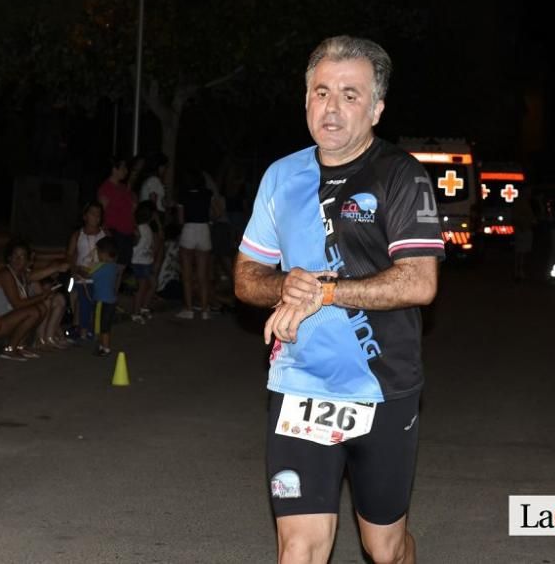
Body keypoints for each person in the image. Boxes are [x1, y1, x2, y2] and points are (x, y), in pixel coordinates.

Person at [233, 36, 444, 564]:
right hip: (298, 386)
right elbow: (245, 277)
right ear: (305, 99)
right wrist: (285, 286)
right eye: (321, 91)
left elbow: (419, 282)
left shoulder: (401, 176)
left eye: (350, 95)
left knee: (384, 547)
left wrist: (326, 291)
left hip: (382, 388)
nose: (332, 107)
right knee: (299, 549)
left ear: (376, 108)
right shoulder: (282, 176)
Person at [0, 238, 68, 358]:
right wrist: (42, 296)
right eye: (15, 256)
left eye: (22, 256)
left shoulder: (22, 275)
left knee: (41, 308)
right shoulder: (6, 274)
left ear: (27, 260)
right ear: (9, 257)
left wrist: (56, 270)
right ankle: (10, 348)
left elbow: (36, 276)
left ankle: (20, 346)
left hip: (7, 319)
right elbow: (17, 304)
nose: (18, 260)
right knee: (33, 311)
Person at [176, 167, 215, 320]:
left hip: (189, 229)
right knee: (202, 274)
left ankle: (189, 309)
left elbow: (180, 219)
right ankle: (205, 310)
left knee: (186, 274)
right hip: (204, 229)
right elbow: (215, 212)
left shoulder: (182, 195)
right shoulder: (207, 194)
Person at [66, 201, 106, 336]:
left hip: (98, 277)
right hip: (81, 276)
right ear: (85, 216)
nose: (96, 217)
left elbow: (111, 256)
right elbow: (70, 256)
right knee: (81, 299)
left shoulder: (105, 235)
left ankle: (90, 328)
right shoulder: (78, 235)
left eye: (98, 214)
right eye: (92, 213)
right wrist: (76, 271)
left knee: (96, 304)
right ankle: (80, 328)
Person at [96, 157, 135, 296]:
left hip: (127, 232)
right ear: (114, 169)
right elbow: (101, 212)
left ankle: (112, 299)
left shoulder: (124, 188)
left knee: (120, 269)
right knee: (112, 269)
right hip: (114, 232)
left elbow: (131, 209)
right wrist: (105, 232)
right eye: (123, 168)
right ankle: (106, 300)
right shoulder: (106, 188)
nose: (126, 171)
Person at [86, 236, 118, 357]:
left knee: (102, 325)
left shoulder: (103, 267)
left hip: (102, 301)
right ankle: (102, 346)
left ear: (104, 253)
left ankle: (105, 348)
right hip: (110, 300)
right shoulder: (113, 266)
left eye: (98, 252)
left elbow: (90, 275)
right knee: (105, 324)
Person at [130, 201, 158, 323]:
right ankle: (136, 313)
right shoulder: (139, 229)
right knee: (141, 288)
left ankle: (144, 307)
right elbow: (135, 243)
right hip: (139, 262)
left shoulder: (147, 228)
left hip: (147, 261)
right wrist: (137, 237)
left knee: (153, 284)